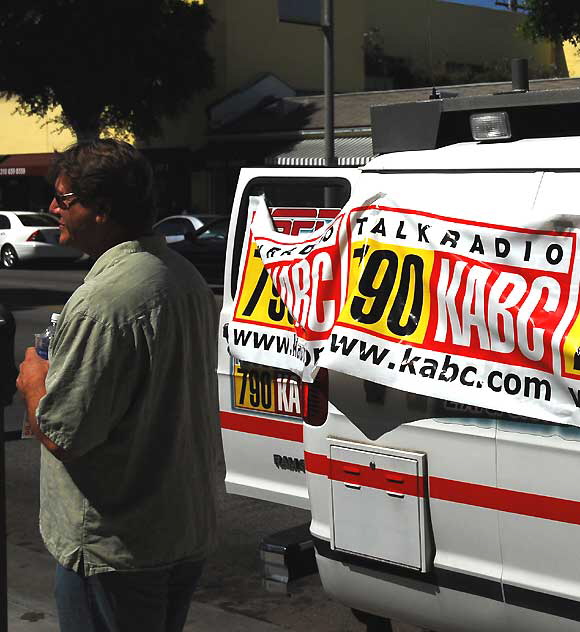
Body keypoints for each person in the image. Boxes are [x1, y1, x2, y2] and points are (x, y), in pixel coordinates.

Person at [16, 139, 219, 632]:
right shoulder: (181, 274)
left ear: (101, 210)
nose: (52, 209)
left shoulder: (105, 302)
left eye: (64, 200)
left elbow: (65, 434)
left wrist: (33, 381)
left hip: (117, 546)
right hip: (180, 527)